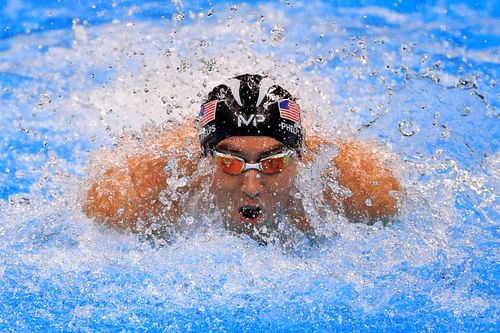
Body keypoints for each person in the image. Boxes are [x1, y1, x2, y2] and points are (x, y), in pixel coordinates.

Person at [83, 74, 402, 244]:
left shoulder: (358, 191)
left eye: (272, 163)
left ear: (299, 160)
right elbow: (97, 202)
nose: (251, 186)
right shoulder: (149, 192)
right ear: (205, 160)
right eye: (230, 164)